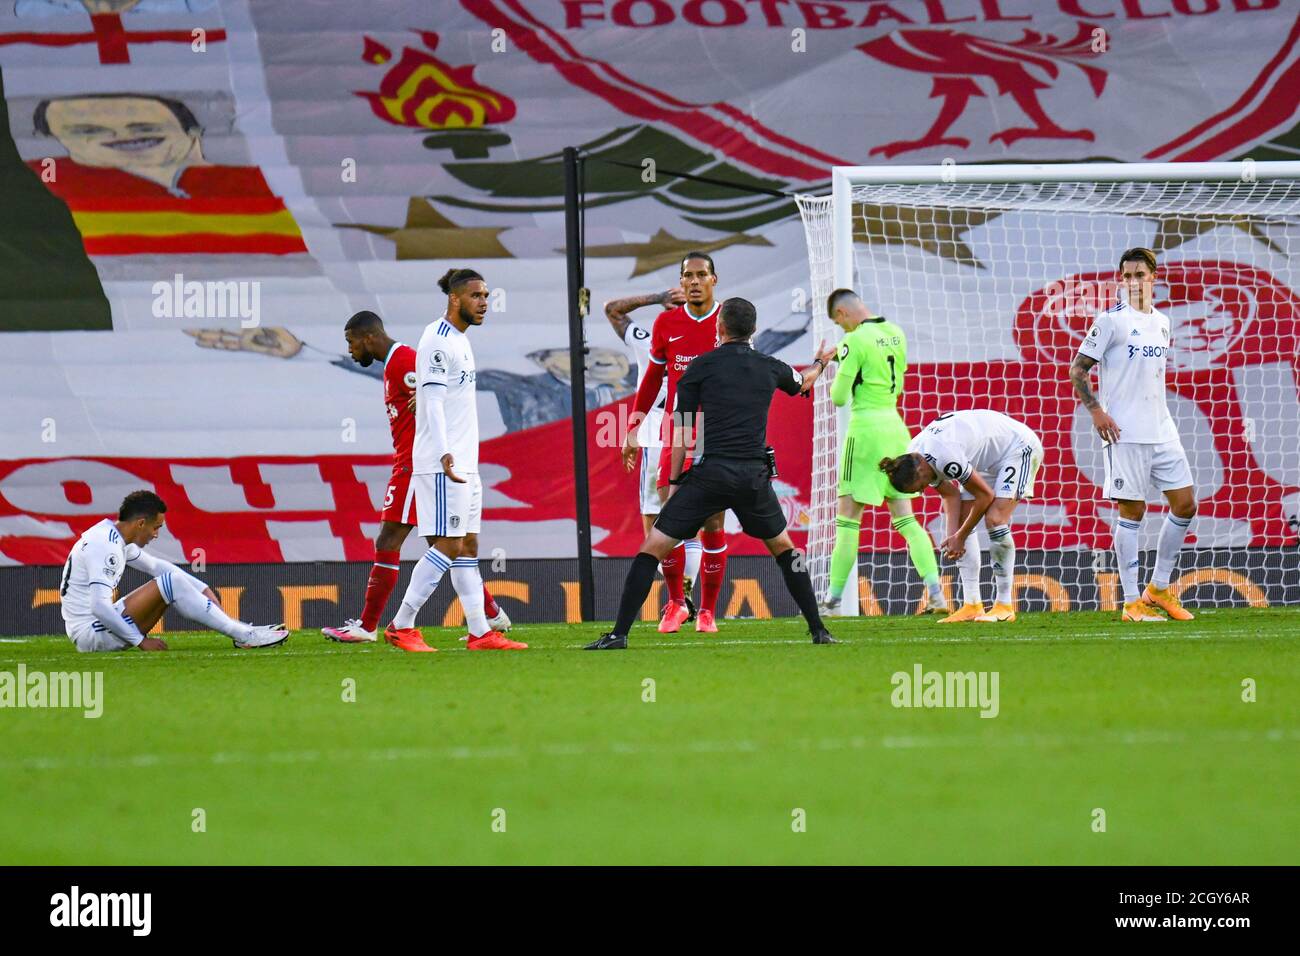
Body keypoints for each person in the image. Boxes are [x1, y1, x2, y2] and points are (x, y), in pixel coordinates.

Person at [587, 298, 839, 649]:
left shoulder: (699, 369)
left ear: (719, 328)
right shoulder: (770, 366)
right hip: (753, 476)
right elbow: (804, 382)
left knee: (652, 549)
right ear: (753, 330)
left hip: (710, 475)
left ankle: (619, 634)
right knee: (785, 550)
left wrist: (675, 484)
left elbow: (683, 433)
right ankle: (819, 630)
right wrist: (820, 363)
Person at [321, 310, 509, 643]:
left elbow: (443, 390)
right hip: (416, 463)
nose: (350, 351)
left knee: (391, 540)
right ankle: (488, 615)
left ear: (368, 338)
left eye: (351, 342)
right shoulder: (397, 363)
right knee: (445, 543)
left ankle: (370, 626)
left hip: (415, 465)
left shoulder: (404, 360)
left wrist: (427, 397)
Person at [383, 269, 527, 652]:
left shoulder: (461, 341)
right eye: (477, 295)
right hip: (442, 461)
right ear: (455, 298)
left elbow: (440, 395)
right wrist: (445, 451)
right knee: (448, 544)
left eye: (487, 296)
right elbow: (429, 399)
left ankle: (481, 632)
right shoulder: (436, 338)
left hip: (465, 462)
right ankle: (402, 624)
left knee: (467, 546)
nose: (484, 302)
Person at [1070, 247, 1197, 623]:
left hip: (1163, 430)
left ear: (1153, 277)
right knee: (1133, 511)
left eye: (1138, 275)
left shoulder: (1163, 322)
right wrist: (1096, 411)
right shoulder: (1111, 321)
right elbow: (1077, 369)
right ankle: (1130, 603)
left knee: (1185, 504)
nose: (1131, 282)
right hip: (1124, 432)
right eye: (1126, 276)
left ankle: (1157, 589)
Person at [821, 289, 947, 616]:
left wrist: (838, 361)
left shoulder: (855, 341)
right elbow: (885, 373)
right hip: (896, 428)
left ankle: (833, 600)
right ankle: (936, 592)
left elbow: (838, 397)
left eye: (839, 322)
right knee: (906, 519)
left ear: (844, 313)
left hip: (865, 432)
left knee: (848, 520)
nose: (842, 329)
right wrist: (846, 358)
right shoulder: (895, 332)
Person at [621, 254, 727, 633]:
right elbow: (652, 378)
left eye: (701, 275)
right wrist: (633, 428)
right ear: (680, 283)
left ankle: (708, 612)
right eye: (688, 276)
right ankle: (676, 604)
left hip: (717, 428)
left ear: (714, 279)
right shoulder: (666, 322)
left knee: (714, 520)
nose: (694, 281)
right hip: (677, 425)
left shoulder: (726, 321)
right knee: (670, 518)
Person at [60, 490, 288, 652]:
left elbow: (155, 566)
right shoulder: (105, 546)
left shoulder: (114, 538)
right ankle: (244, 636)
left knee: (170, 579)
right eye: (156, 527)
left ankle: (239, 630)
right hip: (91, 635)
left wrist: (203, 588)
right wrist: (140, 641)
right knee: (171, 583)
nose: (156, 534)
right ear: (141, 523)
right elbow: (98, 606)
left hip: (95, 628)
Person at [879, 409, 1044, 623]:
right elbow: (950, 494)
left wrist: (961, 536)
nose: (924, 488)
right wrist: (952, 536)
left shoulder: (945, 458)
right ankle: (972, 605)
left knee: (995, 519)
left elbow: (985, 496)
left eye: (921, 486)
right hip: (988, 460)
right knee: (960, 522)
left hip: (1018, 448)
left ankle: (1004, 606)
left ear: (920, 471)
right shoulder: (914, 455)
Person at [604, 285, 703, 620]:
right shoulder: (701, 334)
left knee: (657, 522)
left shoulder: (647, 335)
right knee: (694, 520)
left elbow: (613, 308)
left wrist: (656, 296)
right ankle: (687, 595)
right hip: (695, 427)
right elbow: (610, 308)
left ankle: (678, 598)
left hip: (659, 431)